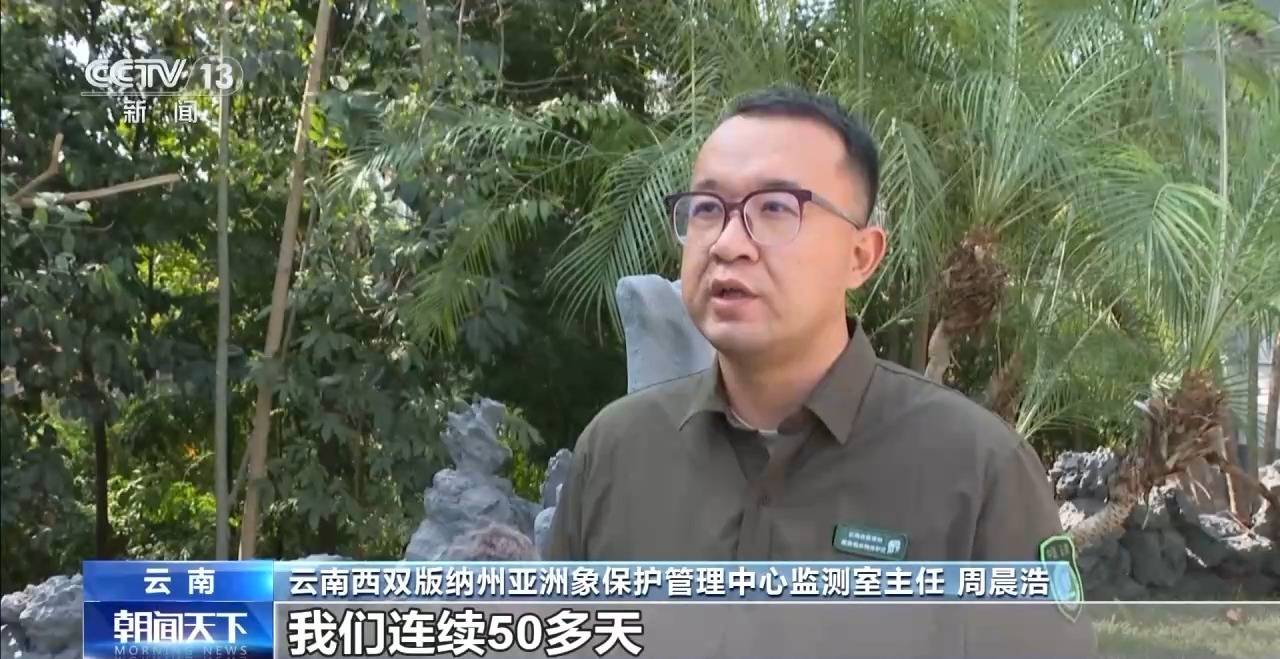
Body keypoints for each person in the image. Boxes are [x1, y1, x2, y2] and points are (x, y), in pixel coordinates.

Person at [546, 86, 1096, 657]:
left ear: (861, 255)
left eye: (774, 208)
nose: (728, 244)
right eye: (707, 209)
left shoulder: (978, 471)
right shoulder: (617, 451)